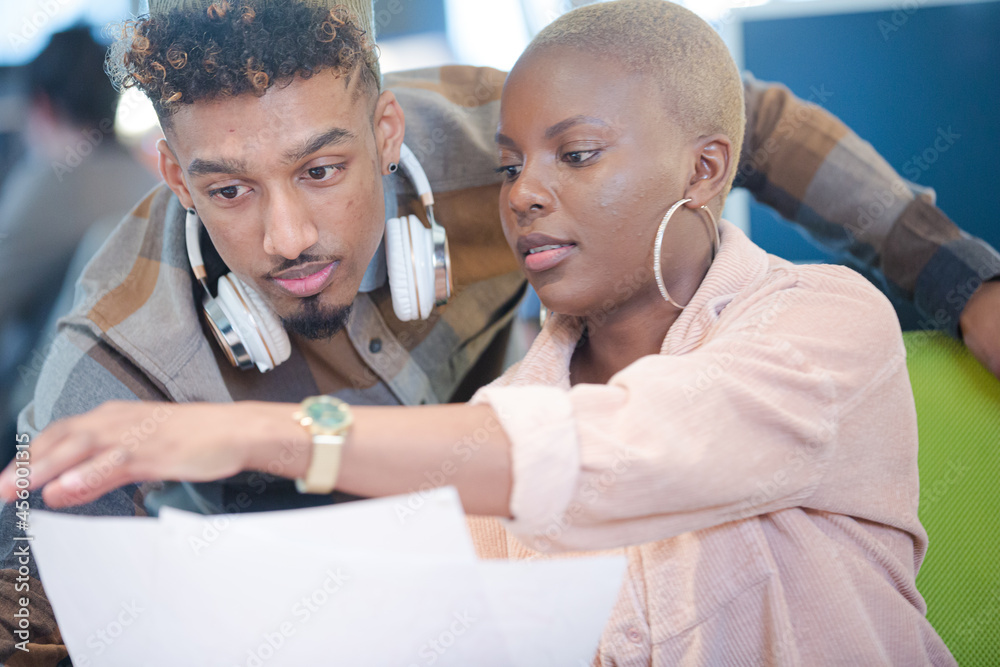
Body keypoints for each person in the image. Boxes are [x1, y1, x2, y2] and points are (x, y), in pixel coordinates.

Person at [0, 0, 990, 662]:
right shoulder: (112, 359)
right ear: (173, 177)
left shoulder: (501, 141)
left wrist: (962, 279)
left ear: (389, 133)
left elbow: (735, 118)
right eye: (226, 188)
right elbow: (28, 616)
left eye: (323, 170)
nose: (289, 236)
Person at [0, 27, 158, 468]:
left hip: (35, 431)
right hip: (126, 418)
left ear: (41, 106)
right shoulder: (149, 182)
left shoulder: (50, 185)